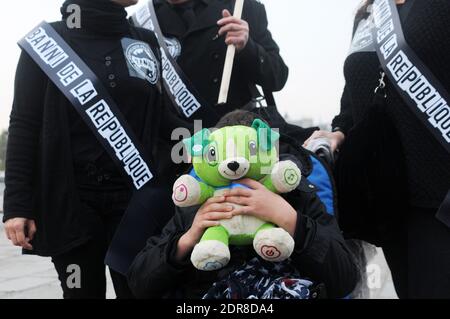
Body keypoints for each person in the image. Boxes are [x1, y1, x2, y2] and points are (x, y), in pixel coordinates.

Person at [2, 0, 171, 299]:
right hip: (71, 202)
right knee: (81, 293)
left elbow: (162, 117)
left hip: (136, 200)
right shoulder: (45, 44)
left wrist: (210, 133)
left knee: (142, 291)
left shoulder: (144, 42)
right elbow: (24, 124)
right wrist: (16, 205)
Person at [127, 110, 359, 299]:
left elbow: (345, 279)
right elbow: (139, 283)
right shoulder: (195, 204)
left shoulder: (297, 195)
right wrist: (188, 238)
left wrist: (290, 220)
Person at [304, 0, 450, 298]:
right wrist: (339, 130)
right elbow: (354, 91)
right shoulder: (369, 14)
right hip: (390, 197)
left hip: (440, 197)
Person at [138, 0, 289, 128]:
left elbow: (277, 77)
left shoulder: (241, 7)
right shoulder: (142, 22)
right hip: (179, 145)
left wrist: (248, 48)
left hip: (239, 136)